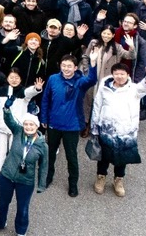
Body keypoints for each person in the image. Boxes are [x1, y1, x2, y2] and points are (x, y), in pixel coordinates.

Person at [89, 61, 146, 196]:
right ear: (112, 75)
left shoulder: (134, 89)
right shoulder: (104, 88)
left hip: (125, 131)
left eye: (122, 74)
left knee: (122, 158)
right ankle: (101, 177)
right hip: (106, 130)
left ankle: (118, 180)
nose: (119, 76)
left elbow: (144, 87)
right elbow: (97, 106)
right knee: (103, 157)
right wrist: (94, 127)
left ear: (127, 75)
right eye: (116, 74)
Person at [40, 52, 99, 196]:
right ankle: (47, 177)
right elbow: (46, 99)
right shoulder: (53, 79)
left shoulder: (80, 82)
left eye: (69, 66)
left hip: (71, 126)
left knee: (71, 156)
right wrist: (44, 118)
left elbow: (92, 79)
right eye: (63, 65)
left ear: (74, 68)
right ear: (60, 66)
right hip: (54, 123)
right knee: (50, 154)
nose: (66, 68)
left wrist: (93, 63)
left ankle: (73, 184)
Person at [0, 107, 47, 235]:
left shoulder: (42, 145)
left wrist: (42, 184)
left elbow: (44, 166)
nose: (28, 127)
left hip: (26, 181)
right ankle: (0, 223)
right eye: (26, 124)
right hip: (7, 175)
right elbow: (9, 120)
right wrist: (7, 110)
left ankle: (21, 230)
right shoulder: (18, 131)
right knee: (3, 202)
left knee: (23, 207)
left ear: (37, 126)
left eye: (31, 124)